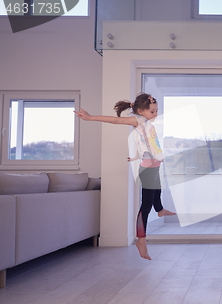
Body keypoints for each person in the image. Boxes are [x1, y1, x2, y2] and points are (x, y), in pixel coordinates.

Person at [74, 93, 176, 260]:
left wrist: (139, 156)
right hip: (148, 168)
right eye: (152, 111)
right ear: (141, 111)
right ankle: (141, 239)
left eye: (157, 111)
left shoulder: (147, 123)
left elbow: (144, 144)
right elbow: (115, 120)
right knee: (146, 204)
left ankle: (160, 209)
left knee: (157, 190)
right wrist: (90, 117)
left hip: (154, 165)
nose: (155, 114)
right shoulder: (138, 121)